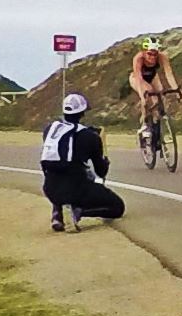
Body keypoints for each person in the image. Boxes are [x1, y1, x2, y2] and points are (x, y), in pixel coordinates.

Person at [40, 93, 123, 230]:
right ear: (82, 113)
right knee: (117, 207)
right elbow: (100, 172)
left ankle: (58, 210)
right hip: (76, 189)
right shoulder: (90, 137)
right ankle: (78, 212)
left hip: (50, 189)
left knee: (62, 177)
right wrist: (105, 158)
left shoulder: (50, 130)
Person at [126, 37, 181, 144]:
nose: (153, 57)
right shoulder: (138, 59)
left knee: (161, 96)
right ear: (143, 52)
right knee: (148, 94)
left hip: (152, 76)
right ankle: (145, 124)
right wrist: (142, 97)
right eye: (149, 54)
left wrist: (176, 90)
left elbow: (169, 74)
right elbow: (138, 78)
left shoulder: (162, 57)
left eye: (155, 54)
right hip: (137, 78)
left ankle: (159, 126)